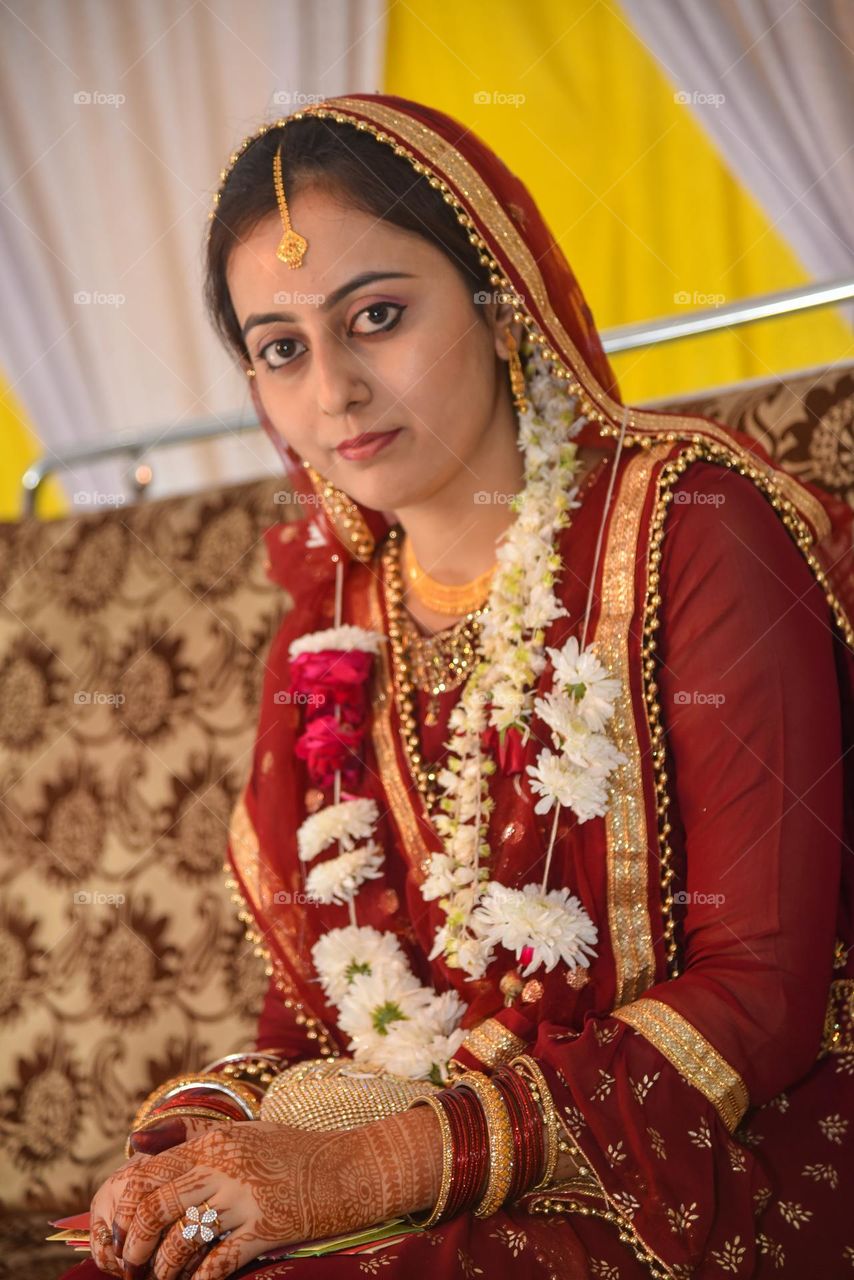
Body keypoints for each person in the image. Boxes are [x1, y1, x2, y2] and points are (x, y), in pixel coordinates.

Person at [64, 92, 854, 1280]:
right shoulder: (326, 625)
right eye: (280, 347)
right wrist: (185, 1153)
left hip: (706, 1148)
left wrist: (374, 1167)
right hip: (427, 1143)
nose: (331, 389)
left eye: (374, 315)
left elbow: (762, 993)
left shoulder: (689, 526)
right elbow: (313, 1025)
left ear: (497, 303)